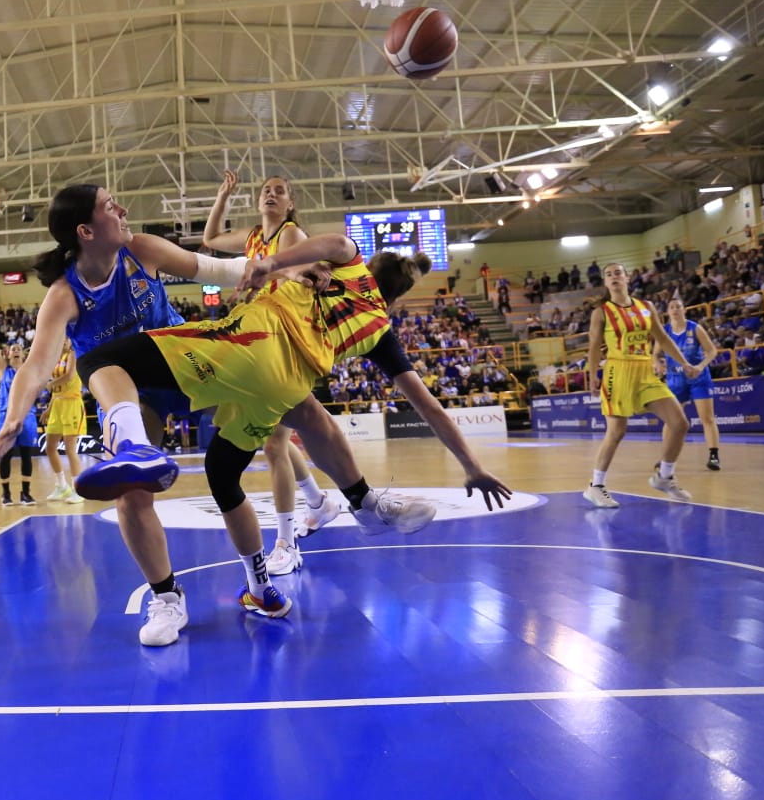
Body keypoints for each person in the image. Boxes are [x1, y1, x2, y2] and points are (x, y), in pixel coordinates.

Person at [0, 184, 440, 647]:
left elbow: (220, 268)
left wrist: (289, 270)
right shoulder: (64, 295)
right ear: (86, 230)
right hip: (130, 394)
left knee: (293, 407)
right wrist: (14, 417)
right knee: (132, 494)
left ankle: (349, 502)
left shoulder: (140, 250)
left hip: (186, 362)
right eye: (108, 205)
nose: (121, 207)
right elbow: (37, 364)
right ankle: (167, 597)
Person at [72, 235, 512, 621]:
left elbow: (333, 246)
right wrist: (471, 466)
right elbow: (430, 406)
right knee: (224, 471)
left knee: (95, 361)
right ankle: (283, 569)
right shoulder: (380, 330)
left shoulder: (344, 264)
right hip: (280, 392)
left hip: (245, 347)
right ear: (394, 301)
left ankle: (135, 446)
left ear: (368, 263)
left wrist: (274, 263)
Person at [201, 170, 338, 574]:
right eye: (265, 190)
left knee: (275, 445)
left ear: (290, 203)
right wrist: (222, 195)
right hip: (262, 342)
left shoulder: (292, 235)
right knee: (272, 440)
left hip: (288, 341)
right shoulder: (252, 239)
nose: (271, 194)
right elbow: (209, 240)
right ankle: (317, 501)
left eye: (279, 191)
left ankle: (286, 543)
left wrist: (263, 276)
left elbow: (298, 276)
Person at [583, 263, 698, 508]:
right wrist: (592, 374)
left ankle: (664, 476)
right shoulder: (601, 312)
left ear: (627, 278)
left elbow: (663, 338)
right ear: (605, 282)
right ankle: (595, 486)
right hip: (618, 371)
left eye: (618, 273)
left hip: (645, 370)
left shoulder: (646, 307)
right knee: (616, 432)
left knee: (679, 423)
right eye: (609, 274)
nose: (614, 277)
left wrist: (684, 363)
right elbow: (593, 346)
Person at [658, 297, 722, 470]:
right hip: (675, 379)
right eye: (672, 307)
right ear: (668, 312)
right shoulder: (664, 332)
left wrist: (700, 367)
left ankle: (714, 456)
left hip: (698, 377)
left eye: (678, 306)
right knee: (671, 421)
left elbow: (712, 351)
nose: (675, 309)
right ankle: (666, 457)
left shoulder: (695, 328)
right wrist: (658, 365)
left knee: (707, 418)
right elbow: (655, 355)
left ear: (684, 309)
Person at [0, 314, 37, 506]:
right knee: (5, 455)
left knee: (26, 455)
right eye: (13, 349)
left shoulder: (30, 370)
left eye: (18, 349)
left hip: (27, 417)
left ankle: (26, 493)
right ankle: (5, 493)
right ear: (8, 354)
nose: (15, 351)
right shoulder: (3, 370)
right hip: (5, 417)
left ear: (24, 355)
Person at [41, 339, 86, 504]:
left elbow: (69, 376)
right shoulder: (55, 359)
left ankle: (78, 490)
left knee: (70, 450)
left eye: (66, 339)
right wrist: (49, 408)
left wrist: (50, 383)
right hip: (58, 404)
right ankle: (62, 486)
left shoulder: (73, 354)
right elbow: (56, 390)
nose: (63, 341)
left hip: (72, 403)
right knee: (50, 448)